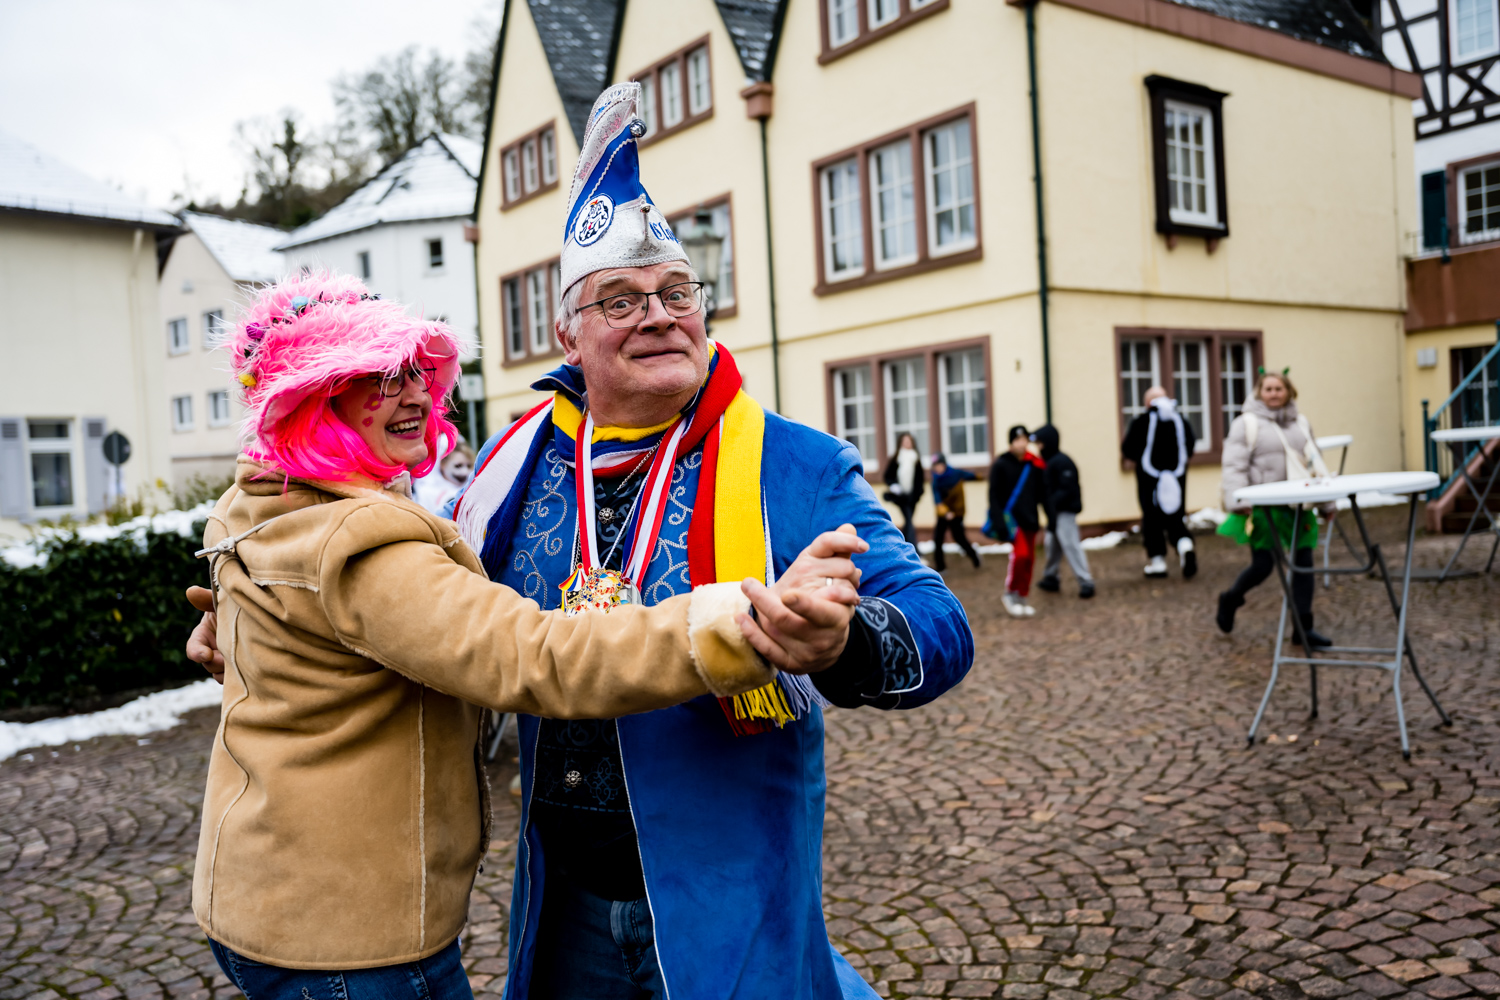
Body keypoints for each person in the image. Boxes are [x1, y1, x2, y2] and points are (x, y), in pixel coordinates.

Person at [179, 273, 864, 999]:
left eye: (416, 371)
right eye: (378, 377)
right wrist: (740, 621)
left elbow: (927, 621)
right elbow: (533, 656)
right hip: (348, 933)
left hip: (270, 898)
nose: (415, 394)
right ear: (314, 400)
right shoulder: (362, 539)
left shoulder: (264, 500)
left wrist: (238, 619)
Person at [445, 83, 973, 1000]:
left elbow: (940, 625)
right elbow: (418, 610)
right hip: (563, 901)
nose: (658, 314)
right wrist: (267, 629)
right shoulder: (510, 473)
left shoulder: (794, 465)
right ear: (568, 333)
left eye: (676, 291)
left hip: (731, 911)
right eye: (620, 299)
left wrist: (845, 641)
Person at [1216, 368, 1333, 645]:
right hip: (1264, 508)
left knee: (1304, 565)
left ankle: (1303, 630)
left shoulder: (1301, 423)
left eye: (1278, 389)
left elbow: (1315, 463)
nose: (1273, 394)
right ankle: (1231, 598)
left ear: (1289, 391)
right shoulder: (1246, 424)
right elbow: (1234, 465)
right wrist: (1238, 500)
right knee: (1264, 565)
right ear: (1259, 393)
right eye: (1268, 389)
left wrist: (1327, 502)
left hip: (1299, 506)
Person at [1122, 387, 1197, 579]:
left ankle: (1158, 562)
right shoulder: (1179, 421)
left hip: (1149, 481)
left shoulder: (1141, 422)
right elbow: (1190, 445)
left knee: (1152, 518)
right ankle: (1185, 545)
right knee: (1174, 516)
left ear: (1148, 403)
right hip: (1177, 479)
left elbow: (1128, 448)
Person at [1031, 424, 1095, 599]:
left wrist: (1050, 502)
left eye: (1040, 443)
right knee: (1052, 544)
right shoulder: (1047, 462)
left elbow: (1067, 489)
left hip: (1064, 512)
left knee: (1070, 545)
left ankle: (1086, 581)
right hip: (1053, 513)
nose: (1038, 447)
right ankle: (1051, 577)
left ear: (1048, 442)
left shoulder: (1062, 462)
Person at [988, 425, 1045, 617]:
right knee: (1020, 556)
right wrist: (999, 522)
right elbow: (994, 495)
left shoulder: (1034, 464)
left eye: (1024, 440)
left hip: (1031, 519)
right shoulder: (1001, 464)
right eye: (1018, 440)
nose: (1022, 443)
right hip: (1013, 521)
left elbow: (1043, 494)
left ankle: (1022, 596)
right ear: (1011, 442)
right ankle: (1010, 594)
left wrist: (1050, 516)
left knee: (1029, 559)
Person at [928, 452, 982, 573]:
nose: (937, 468)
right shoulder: (936, 481)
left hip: (957, 513)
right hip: (943, 513)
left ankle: (975, 557)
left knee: (959, 538)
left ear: (944, 464)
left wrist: (978, 476)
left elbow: (969, 475)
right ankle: (941, 567)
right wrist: (945, 511)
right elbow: (937, 498)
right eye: (935, 466)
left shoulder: (955, 474)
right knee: (938, 539)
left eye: (939, 465)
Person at [882, 431, 925, 545]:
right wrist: (894, 486)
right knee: (909, 519)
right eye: (905, 441)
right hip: (901, 497)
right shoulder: (896, 458)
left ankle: (904, 544)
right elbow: (888, 476)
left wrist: (918, 493)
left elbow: (920, 478)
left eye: (909, 441)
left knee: (908, 521)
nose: (907, 443)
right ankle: (915, 548)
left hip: (913, 497)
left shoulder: (916, 458)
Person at [414, 435, 474, 514]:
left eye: (469, 466)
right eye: (458, 466)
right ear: (442, 464)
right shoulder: (425, 492)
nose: (465, 472)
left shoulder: (473, 490)